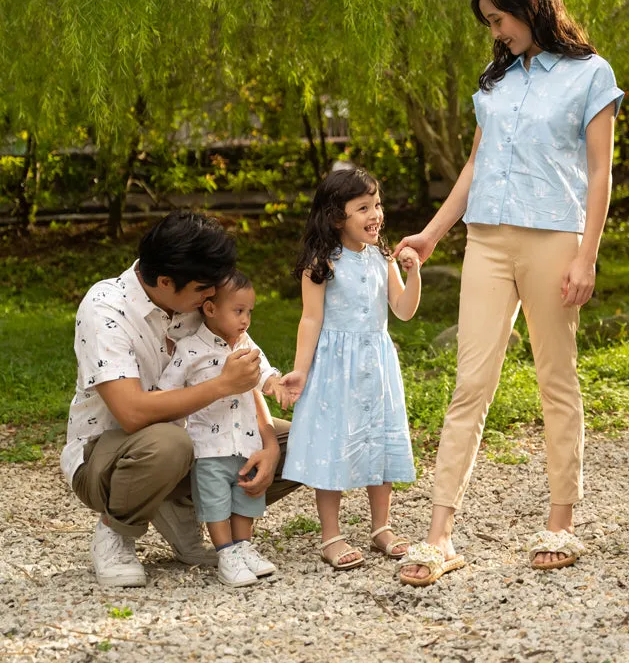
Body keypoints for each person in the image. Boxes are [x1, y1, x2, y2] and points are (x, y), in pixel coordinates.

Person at [396, 0, 624, 586]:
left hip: (555, 239)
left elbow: (601, 173)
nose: (495, 32)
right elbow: (475, 167)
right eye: (488, 23)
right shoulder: (494, 83)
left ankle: (561, 522)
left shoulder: (590, 75)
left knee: (556, 378)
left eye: (498, 19)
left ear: (531, 6)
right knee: (470, 383)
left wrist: (587, 254)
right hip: (487, 244)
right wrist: (434, 234)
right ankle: (439, 537)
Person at [60, 210, 297, 589]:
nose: (211, 297)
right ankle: (115, 532)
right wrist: (222, 385)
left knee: (299, 442)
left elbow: (243, 370)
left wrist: (269, 444)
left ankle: (177, 502)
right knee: (169, 442)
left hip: (201, 444)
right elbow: (132, 413)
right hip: (109, 455)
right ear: (166, 281)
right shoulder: (105, 308)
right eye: (204, 289)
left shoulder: (197, 300)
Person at [279, 167, 421, 569]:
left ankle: (381, 527)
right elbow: (310, 320)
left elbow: (404, 311)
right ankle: (331, 535)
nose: (375, 214)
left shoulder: (382, 257)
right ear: (336, 217)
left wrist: (414, 275)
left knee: (379, 438)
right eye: (363, 207)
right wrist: (300, 371)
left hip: (376, 364)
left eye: (377, 204)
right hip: (334, 369)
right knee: (334, 444)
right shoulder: (323, 263)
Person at [158, 271, 281, 588]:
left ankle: (243, 547)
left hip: (245, 442)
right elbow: (168, 391)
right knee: (215, 502)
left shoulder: (245, 344)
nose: (246, 320)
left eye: (249, 312)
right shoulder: (190, 349)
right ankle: (225, 553)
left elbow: (263, 371)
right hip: (209, 445)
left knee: (245, 497)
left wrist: (275, 384)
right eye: (238, 311)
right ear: (210, 309)